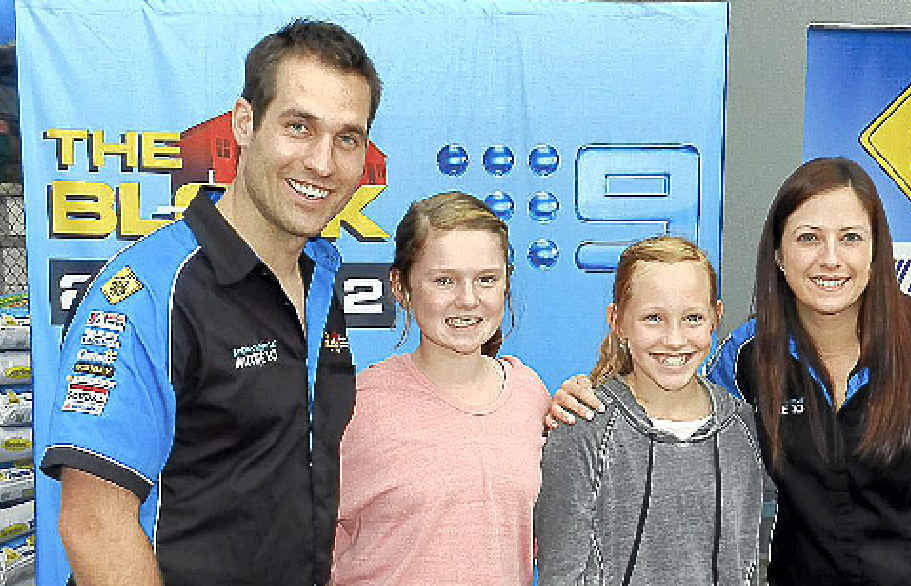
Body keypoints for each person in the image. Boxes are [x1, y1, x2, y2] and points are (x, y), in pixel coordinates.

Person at [549, 158, 911, 586]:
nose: (830, 258)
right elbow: (671, 399)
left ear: (877, 252)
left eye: (851, 238)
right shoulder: (746, 357)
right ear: (778, 254)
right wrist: (583, 395)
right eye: (808, 237)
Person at [39, 20, 381, 585]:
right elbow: (94, 524)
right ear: (245, 123)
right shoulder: (149, 289)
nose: (323, 163)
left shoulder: (320, 276)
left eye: (347, 138)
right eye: (299, 127)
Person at [331, 192, 550, 585]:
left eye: (485, 279)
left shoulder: (530, 395)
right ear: (402, 287)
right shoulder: (356, 406)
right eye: (444, 280)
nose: (467, 300)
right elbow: (299, 544)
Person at [534, 236, 762, 585]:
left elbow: (750, 556)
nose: (674, 339)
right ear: (618, 321)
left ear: (716, 317)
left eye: (693, 318)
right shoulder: (583, 428)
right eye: (653, 318)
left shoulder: (744, 428)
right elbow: (561, 571)